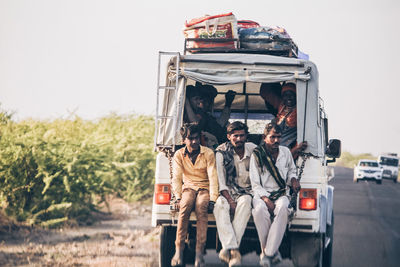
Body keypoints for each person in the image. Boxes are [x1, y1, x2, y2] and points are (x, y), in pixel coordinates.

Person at [249, 122, 301, 267]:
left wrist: (294, 180)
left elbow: (292, 171)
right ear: (264, 137)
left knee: (284, 207)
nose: (276, 140)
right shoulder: (257, 154)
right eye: (272, 137)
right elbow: (255, 184)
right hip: (261, 195)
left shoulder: (285, 152)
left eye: (278, 137)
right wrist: (266, 199)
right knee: (259, 211)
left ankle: (267, 253)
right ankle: (272, 252)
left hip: (281, 193)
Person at [170, 123, 219, 267]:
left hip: (204, 188)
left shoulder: (208, 153)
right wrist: (178, 197)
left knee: (201, 209)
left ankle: (199, 254)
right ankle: (178, 250)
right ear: (184, 140)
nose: (194, 142)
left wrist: (213, 198)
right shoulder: (179, 155)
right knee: (184, 208)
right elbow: (177, 178)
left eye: (196, 138)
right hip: (188, 188)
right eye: (190, 138)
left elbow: (213, 176)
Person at [213, 121, 256, 267]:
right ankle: (235, 250)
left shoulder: (253, 150)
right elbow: (221, 181)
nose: (239, 139)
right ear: (229, 137)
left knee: (245, 202)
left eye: (242, 136)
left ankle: (227, 248)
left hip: (246, 191)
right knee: (220, 205)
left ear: (246, 136)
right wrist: (230, 200)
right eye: (235, 136)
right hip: (227, 192)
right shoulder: (221, 152)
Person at [260, 82, 307, 159]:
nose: (289, 97)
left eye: (292, 95)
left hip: (286, 150)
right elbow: (264, 92)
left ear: (296, 96)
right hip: (271, 148)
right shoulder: (281, 105)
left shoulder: (301, 110)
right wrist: (277, 75)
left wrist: (295, 150)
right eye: (285, 95)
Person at [184, 83, 236, 148]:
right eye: (205, 101)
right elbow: (195, 123)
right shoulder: (188, 115)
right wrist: (186, 101)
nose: (208, 104)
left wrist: (228, 104)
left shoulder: (206, 116)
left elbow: (220, 124)